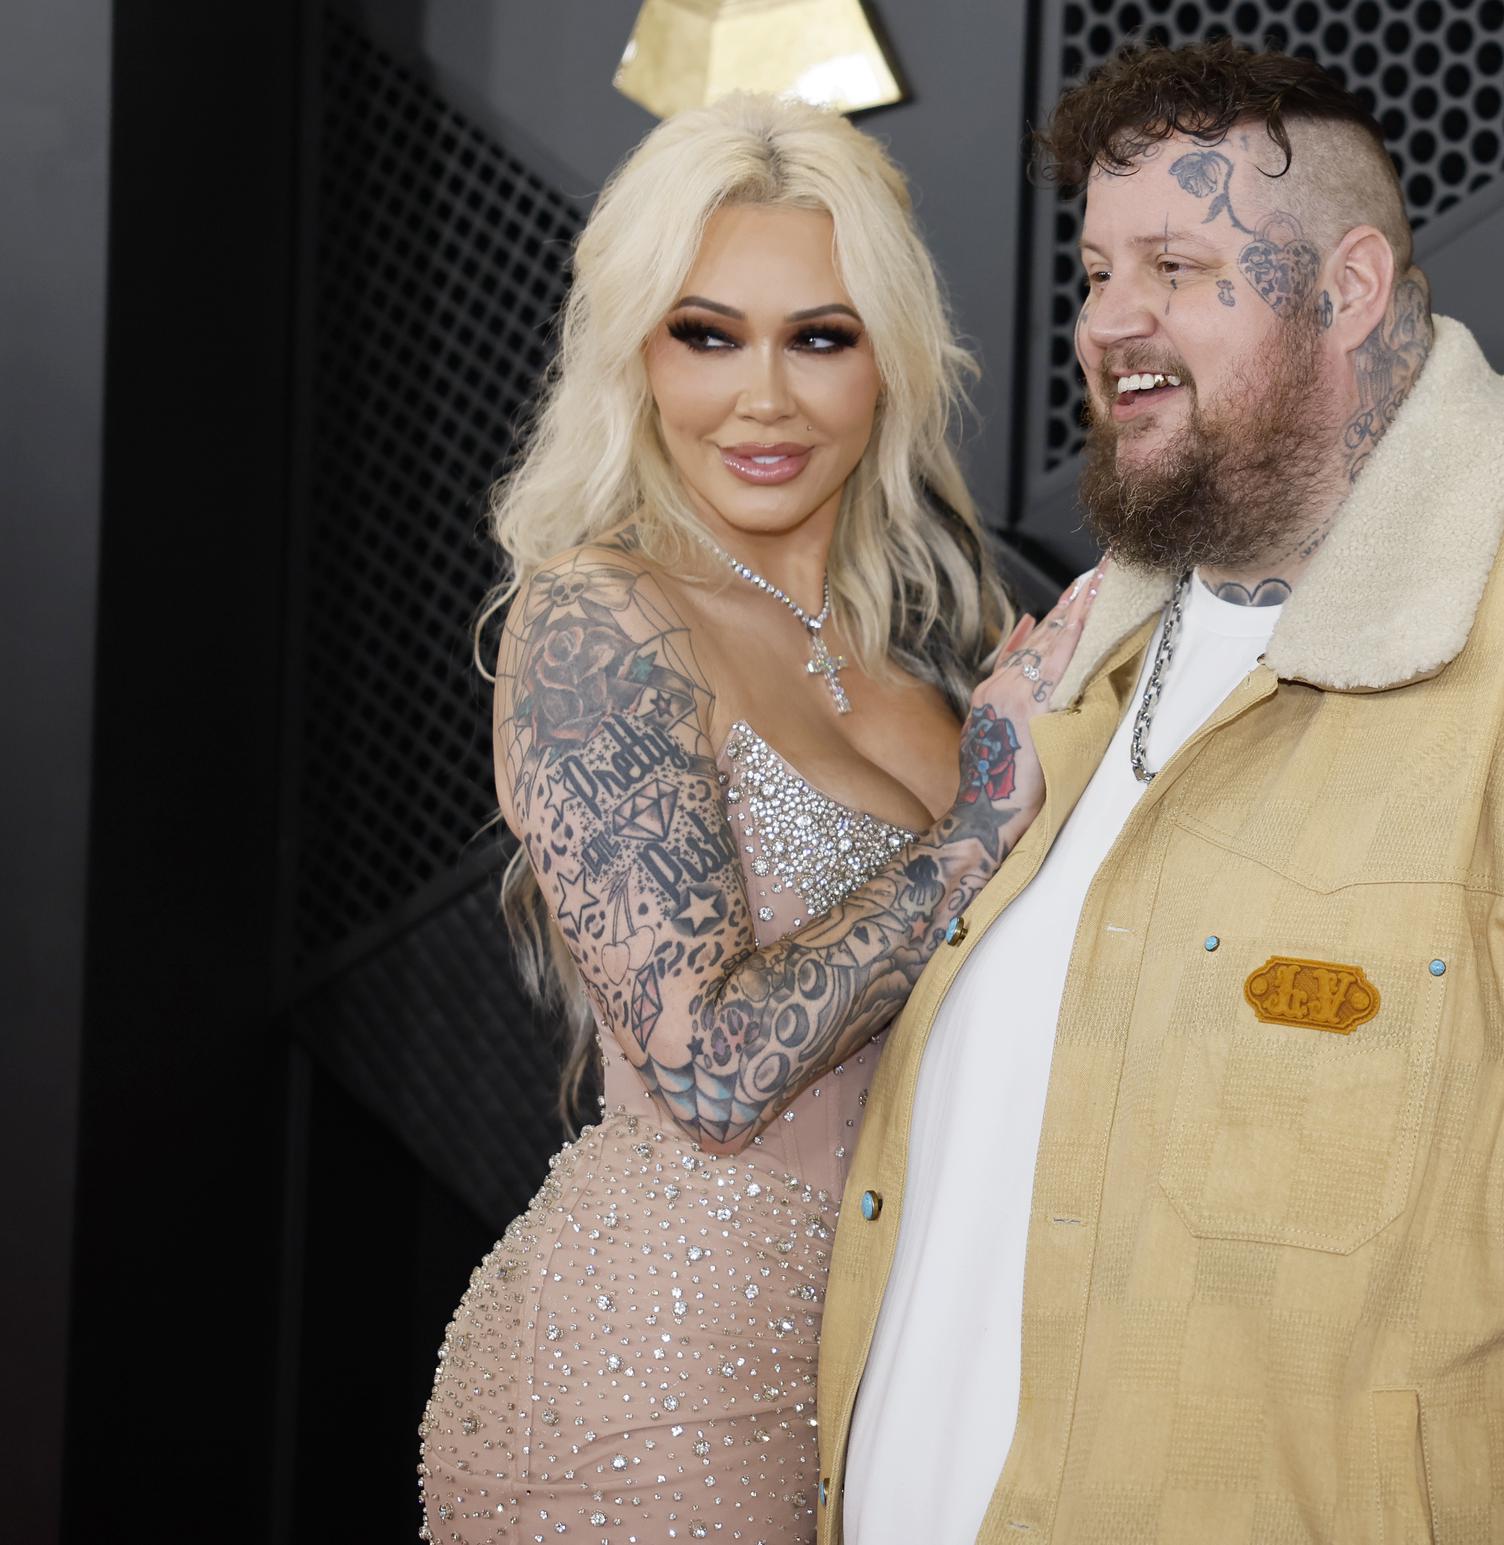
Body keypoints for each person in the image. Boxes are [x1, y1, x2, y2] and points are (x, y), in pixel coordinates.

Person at [822, 40, 1504, 1545]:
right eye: (1093, 271)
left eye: (1177, 261)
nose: (1106, 323)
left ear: (1349, 286)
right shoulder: (1088, 658)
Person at [417, 93, 1099, 1543]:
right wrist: (983, 824)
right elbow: (714, 1067)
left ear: (891, 362)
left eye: (822, 337)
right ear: (634, 354)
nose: (766, 398)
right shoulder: (603, 617)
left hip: (905, 1394)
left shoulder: (929, 669)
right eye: (706, 332)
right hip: (653, 1397)